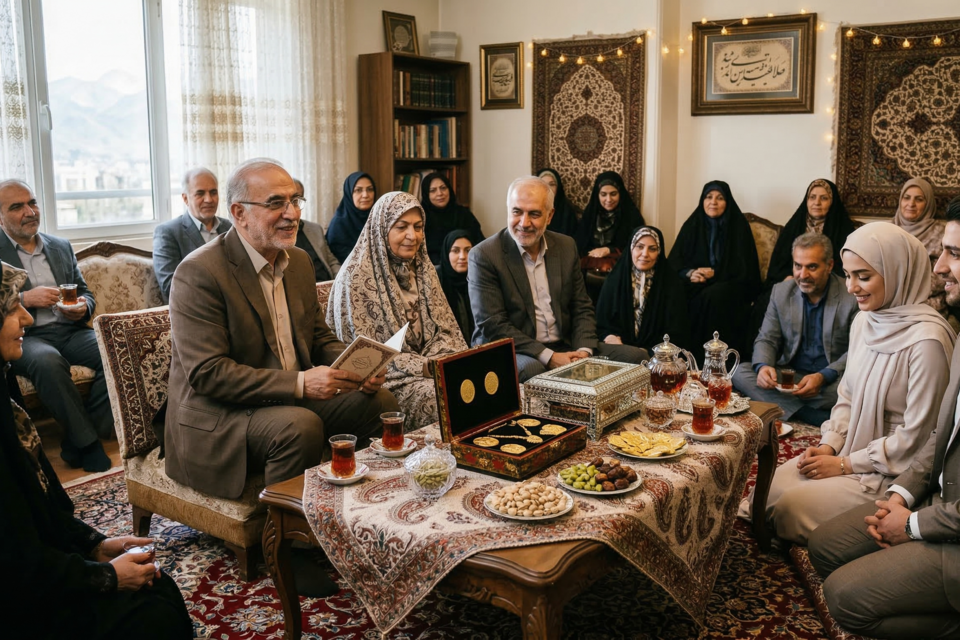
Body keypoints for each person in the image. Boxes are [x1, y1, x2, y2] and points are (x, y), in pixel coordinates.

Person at [163, 159, 399, 501]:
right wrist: (303, 383)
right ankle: (288, 542)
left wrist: (357, 368)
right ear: (239, 213)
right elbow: (208, 374)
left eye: (294, 201)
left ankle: (362, 508)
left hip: (285, 398)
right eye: (276, 203)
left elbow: (318, 338)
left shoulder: (298, 262)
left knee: (378, 400)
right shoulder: (199, 272)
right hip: (221, 414)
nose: (292, 214)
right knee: (299, 427)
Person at [0, 261, 192, 640]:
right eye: (10, 309)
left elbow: (37, 514)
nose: (24, 317)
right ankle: (85, 443)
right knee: (153, 616)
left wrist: (96, 544)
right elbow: (14, 563)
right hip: (18, 600)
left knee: (157, 584)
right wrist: (103, 576)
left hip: (36, 572)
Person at [750, 223, 955, 545]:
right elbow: (846, 397)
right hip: (850, 449)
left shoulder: (927, 340)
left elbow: (918, 439)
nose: (851, 287)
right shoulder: (865, 321)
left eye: (863, 276)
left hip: (889, 471)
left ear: (897, 272)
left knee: (788, 508)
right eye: (848, 275)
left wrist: (845, 464)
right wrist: (829, 444)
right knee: (768, 490)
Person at [808, 209, 960, 639]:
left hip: (951, 528)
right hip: (934, 498)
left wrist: (910, 524)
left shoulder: (931, 337)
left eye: (954, 253)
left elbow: (913, 435)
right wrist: (901, 495)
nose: (939, 267)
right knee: (824, 546)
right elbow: (940, 438)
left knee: (843, 597)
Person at [469, 176, 647, 382]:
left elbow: (581, 306)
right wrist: (550, 357)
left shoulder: (565, 246)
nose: (524, 223)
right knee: (534, 370)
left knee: (638, 357)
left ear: (550, 215)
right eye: (517, 212)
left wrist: (584, 352)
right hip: (514, 350)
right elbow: (493, 325)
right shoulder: (485, 255)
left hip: (565, 345)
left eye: (534, 214)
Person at [328, 191, 467, 429]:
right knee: (448, 399)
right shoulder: (355, 278)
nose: (412, 236)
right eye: (401, 227)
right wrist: (424, 367)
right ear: (381, 229)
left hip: (433, 369)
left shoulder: (424, 269)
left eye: (418, 226)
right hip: (386, 384)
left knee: (496, 387)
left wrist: (439, 362)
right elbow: (365, 358)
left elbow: (446, 331)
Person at [0, 179, 113, 472]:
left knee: (115, 351)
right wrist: (25, 297)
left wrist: (81, 308)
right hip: (27, 337)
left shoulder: (60, 246)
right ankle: (88, 445)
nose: (29, 211)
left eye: (32, 202)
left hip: (70, 331)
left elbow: (86, 294)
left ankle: (84, 431)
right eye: (17, 206)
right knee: (49, 363)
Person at [734, 233, 859, 426]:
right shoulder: (781, 291)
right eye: (798, 266)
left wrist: (823, 376)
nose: (802, 275)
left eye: (812, 267)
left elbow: (856, 350)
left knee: (858, 387)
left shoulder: (850, 296)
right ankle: (808, 413)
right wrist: (764, 367)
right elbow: (767, 338)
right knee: (740, 372)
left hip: (830, 380)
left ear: (830, 265)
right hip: (791, 376)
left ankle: (782, 405)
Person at [668, 180, 761, 361]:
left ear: (727, 202)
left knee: (714, 295)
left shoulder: (738, 227)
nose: (713, 202)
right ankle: (682, 359)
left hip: (732, 284)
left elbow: (745, 269)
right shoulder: (692, 225)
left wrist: (715, 274)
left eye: (720, 198)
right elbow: (674, 263)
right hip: (696, 285)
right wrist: (690, 273)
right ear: (702, 200)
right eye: (708, 197)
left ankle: (713, 360)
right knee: (677, 294)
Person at [595, 226, 690, 353]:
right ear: (631, 249)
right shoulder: (615, 280)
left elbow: (677, 332)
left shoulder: (671, 283)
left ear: (659, 253)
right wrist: (610, 337)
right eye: (639, 247)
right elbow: (601, 325)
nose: (645, 254)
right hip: (619, 353)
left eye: (652, 249)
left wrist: (647, 352)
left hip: (659, 358)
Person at [153, 167, 232, 303]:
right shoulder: (168, 232)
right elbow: (170, 286)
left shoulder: (231, 228)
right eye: (200, 194)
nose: (209, 199)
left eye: (213, 192)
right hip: (192, 311)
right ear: (185, 198)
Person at [765, 179, 856, 285]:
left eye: (824, 198)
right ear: (806, 201)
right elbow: (777, 267)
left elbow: (847, 269)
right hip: (794, 283)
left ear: (832, 202)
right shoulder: (793, 227)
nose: (817, 203)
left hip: (828, 285)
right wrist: (788, 278)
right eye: (812, 197)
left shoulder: (843, 230)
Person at [892, 177, 951, 322]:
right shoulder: (885, 231)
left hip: (927, 306)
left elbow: (943, 277)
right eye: (906, 198)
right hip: (890, 303)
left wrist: (906, 291)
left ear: (928, 204)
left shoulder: (941, 234)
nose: (911, 204)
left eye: (918, 199)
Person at [574, 171, 644, 267]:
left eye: (613, 194)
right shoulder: (590, 216)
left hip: (620, 269)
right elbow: (579, 246)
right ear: (597, 195)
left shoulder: (631, 217)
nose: (609, 199)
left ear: (620, 194)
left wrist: (609, 250)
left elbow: (639, 247)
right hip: (589, 270)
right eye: (603, 194)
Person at [420, 173, 484, 265]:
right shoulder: (421, 218)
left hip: (465, 265)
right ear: (426, 195)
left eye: (443, 188)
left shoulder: (463, 214)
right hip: (433, 268)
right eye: (433, 190)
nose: (440, 193)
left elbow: (480, 244)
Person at [292, 177, 340, 282]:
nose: (292, 206)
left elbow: (332, 262)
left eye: (297, 200)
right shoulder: (279, 234)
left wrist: (340, 280)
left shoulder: (315, 229)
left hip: (328, 287)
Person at [325, 171, 376, 263]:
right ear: (349, 193)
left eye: (370, 189)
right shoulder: (339, 224)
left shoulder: (378, 218)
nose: (365, 195)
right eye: (358, 190)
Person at [438, 229, 475, 340]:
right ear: (446, 253)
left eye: (468, 250)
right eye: (455, 251)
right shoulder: (436, 281)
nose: (462, 256)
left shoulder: (481, 280)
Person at [537, 168, 579, 237]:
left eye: (552, 184)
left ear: (558, 187)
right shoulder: (531, 207)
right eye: (543, 184)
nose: (548, 188)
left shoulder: (568, 210)